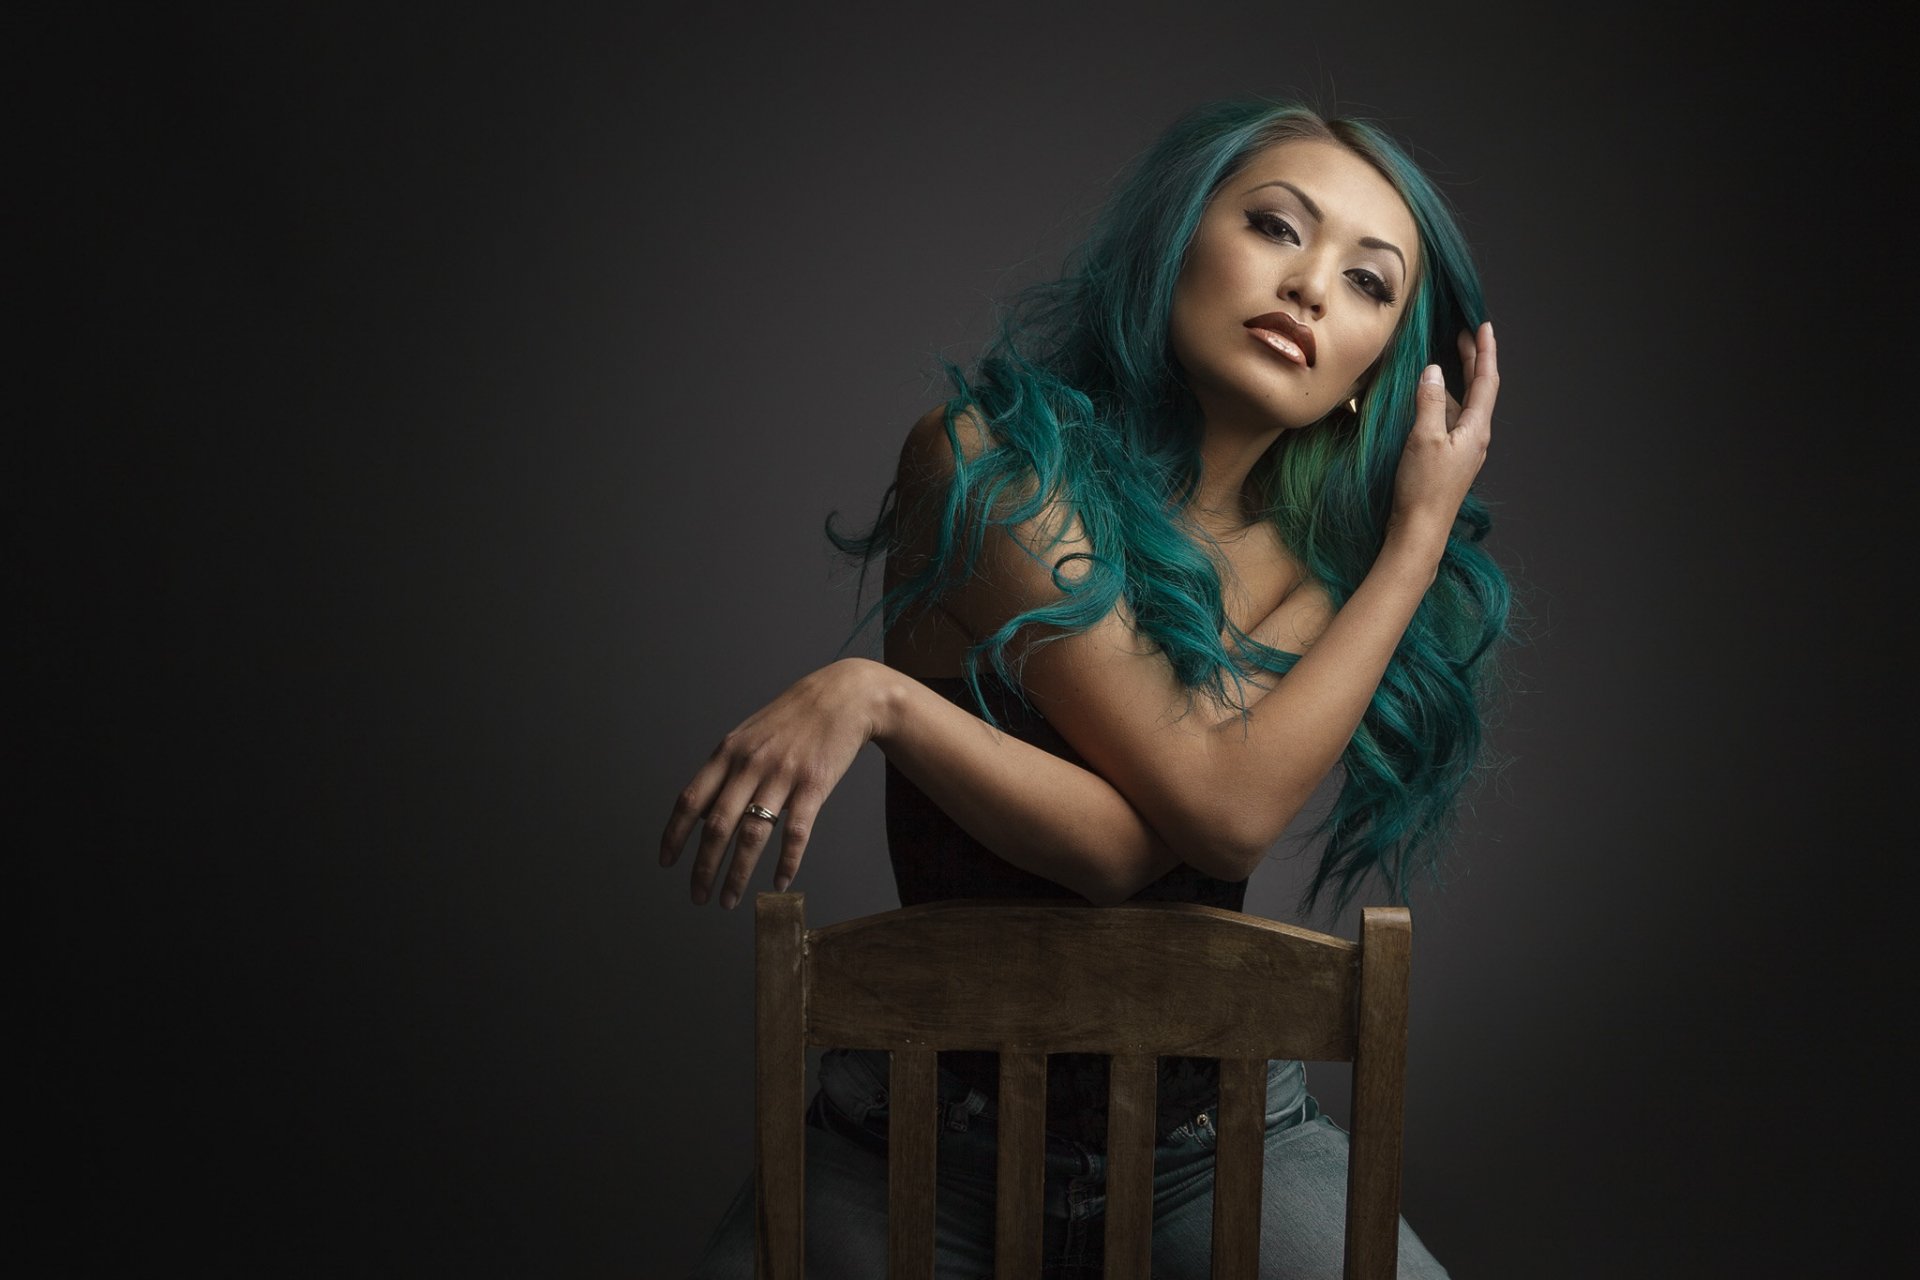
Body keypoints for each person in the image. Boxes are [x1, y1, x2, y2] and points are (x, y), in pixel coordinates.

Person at [664, 95, 1510, 1279]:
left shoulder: (1333, 571)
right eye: (1277, 225)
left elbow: (1188, 827)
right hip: (912, 1142)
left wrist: (1413, 539)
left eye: (1368, 282)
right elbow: (1153, 834)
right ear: (1176, 243)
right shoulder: (991, 469)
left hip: (1215, 1144)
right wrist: (881, 691)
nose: (1312, 287)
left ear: (1380, 373)